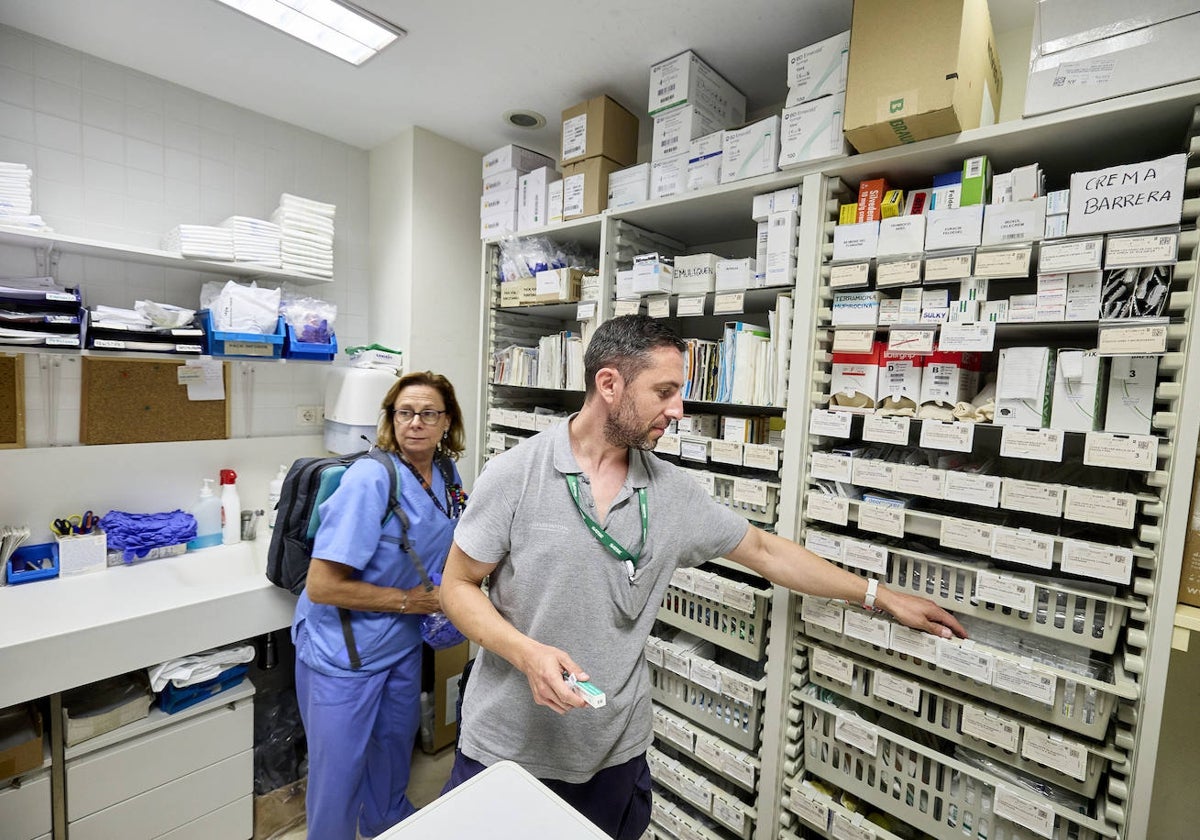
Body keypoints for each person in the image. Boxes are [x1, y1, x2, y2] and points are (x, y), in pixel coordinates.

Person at [439, 315, 965, 839]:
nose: (678, 410)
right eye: (664, 391)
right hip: (507, 749)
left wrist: (880, 595)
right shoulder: (515, 474)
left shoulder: (671, 492)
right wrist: (526, 653)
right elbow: (457, 587)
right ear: (609, 384)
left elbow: (763, 550)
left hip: (611, 755)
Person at [292, 371, 468, 840]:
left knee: (392, 756)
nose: (416, 423)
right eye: (404, 412)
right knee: (338, 778)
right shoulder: (371, 479)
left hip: (402, 644)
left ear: (446, 420)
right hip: (343, 652)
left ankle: (385, 824)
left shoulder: (448, 474)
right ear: (391, 419)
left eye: (429, 413)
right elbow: (323, 586)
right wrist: (412, 601)